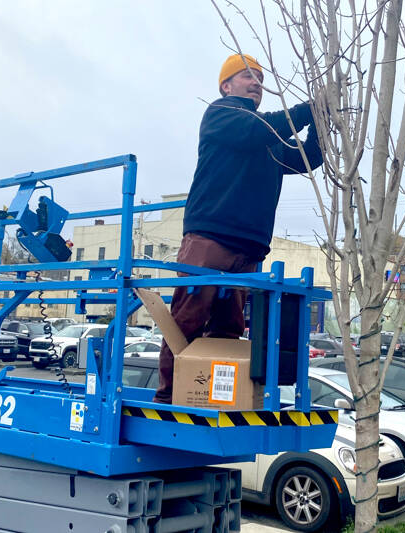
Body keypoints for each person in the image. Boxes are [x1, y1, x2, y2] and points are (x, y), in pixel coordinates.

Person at [153, 53, 323, 404]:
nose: (256, 82)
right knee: (186, 321)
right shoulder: (221, 115)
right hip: (210, 236)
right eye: (247, 76)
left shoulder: (269, 137)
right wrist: (309, 108)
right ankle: (168, 398)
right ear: (226, 86)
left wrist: (321, 119)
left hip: (248, 247)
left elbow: (308, 159)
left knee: (230, 329)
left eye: (259, 78)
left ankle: (214, 396)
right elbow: (259, 128)